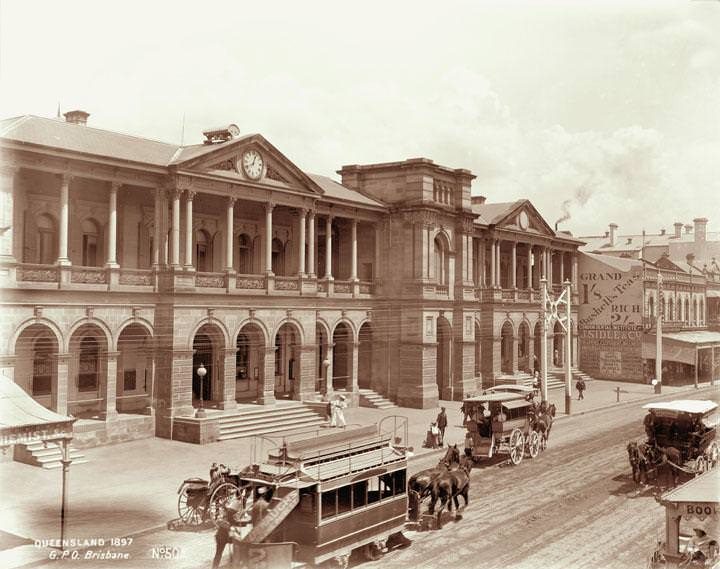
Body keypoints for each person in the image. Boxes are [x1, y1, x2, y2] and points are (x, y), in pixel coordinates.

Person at [212, 495, 243, 569]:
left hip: (221, 536)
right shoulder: (230, 516)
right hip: (223, 537)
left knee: (218, 554)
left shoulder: (226, 514)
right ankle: (234, 564)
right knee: (238, 546)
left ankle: (215, 567)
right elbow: (232, 524)